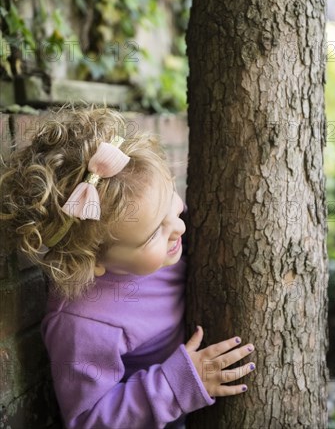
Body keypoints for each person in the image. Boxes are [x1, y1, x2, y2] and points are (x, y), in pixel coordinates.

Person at [0, 105, 256, 429]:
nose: (178, 228)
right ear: (93, 261)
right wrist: (176, 386)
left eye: (170, 203)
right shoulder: (83, 322)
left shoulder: (164, 229)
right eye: (153, 233)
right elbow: (88, 421)